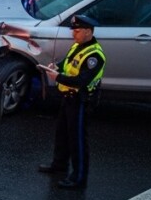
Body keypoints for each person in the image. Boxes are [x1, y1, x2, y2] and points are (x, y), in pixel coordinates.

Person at [38, 14, 106, 190]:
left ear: (88, 32)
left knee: (78, 140)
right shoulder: (79, 46)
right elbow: (68, 63)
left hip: (81, 100)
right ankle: (59, 164)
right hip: (68, 98)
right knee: (62, 134)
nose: (73, 34)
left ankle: (78, 177)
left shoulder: (95, 56)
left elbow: (81, 81)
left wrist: (57, 77)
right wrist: (57, 67)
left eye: (76, 31)